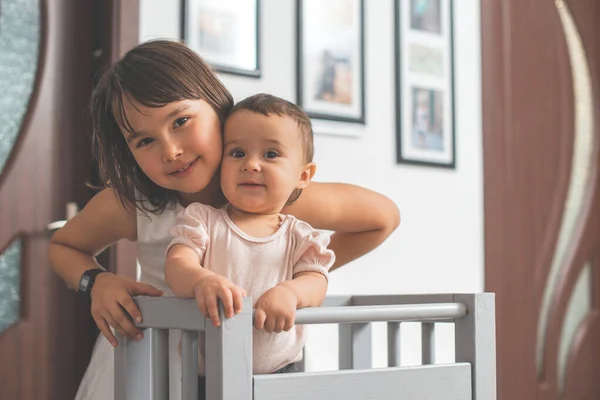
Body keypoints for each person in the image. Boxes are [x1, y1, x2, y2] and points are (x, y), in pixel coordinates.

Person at [48, 40, 400, 400]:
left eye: (181, 121)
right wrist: (98, 282)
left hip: (249, 370)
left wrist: (301, 275)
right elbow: (64, 246)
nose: (171, 151)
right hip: (146, 367)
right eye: (144, 142)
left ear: (217, 106)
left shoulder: (269, 195)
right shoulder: (135, 204)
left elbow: (382, 218)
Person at [165, 93, 336, 394]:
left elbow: (317, 281)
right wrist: (200, 280)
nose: (251, 165)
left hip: (281, 373)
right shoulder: (203, 220)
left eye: (270, 154)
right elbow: (178, 264)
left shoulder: (301, 236)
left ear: (303, 175)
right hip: (208, 375)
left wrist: (291, 292)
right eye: (237, 153)